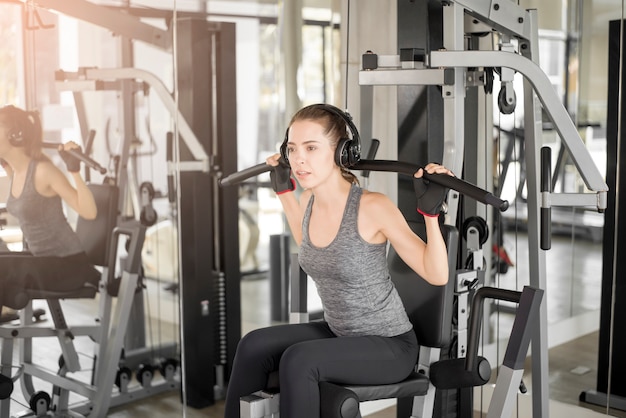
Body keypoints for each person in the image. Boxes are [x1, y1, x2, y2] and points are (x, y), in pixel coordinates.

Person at [224, 103, 454, 418]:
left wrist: (430, 214)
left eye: (311, 148)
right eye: (292, 149)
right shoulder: (308, 199)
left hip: (389, 345)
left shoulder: (373, 207)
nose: (298, 159)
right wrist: (283, 191)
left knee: (299, 360)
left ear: (340, 152)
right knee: (253, 346)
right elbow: (308, 244)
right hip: (339, 330)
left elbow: (436, 273)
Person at [0, 104, 100, 321]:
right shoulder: (14, 170)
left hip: (68, 266)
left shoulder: (43, 171)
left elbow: (89, 212)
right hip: (42, 260)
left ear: (15, 134)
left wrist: (74, 171)